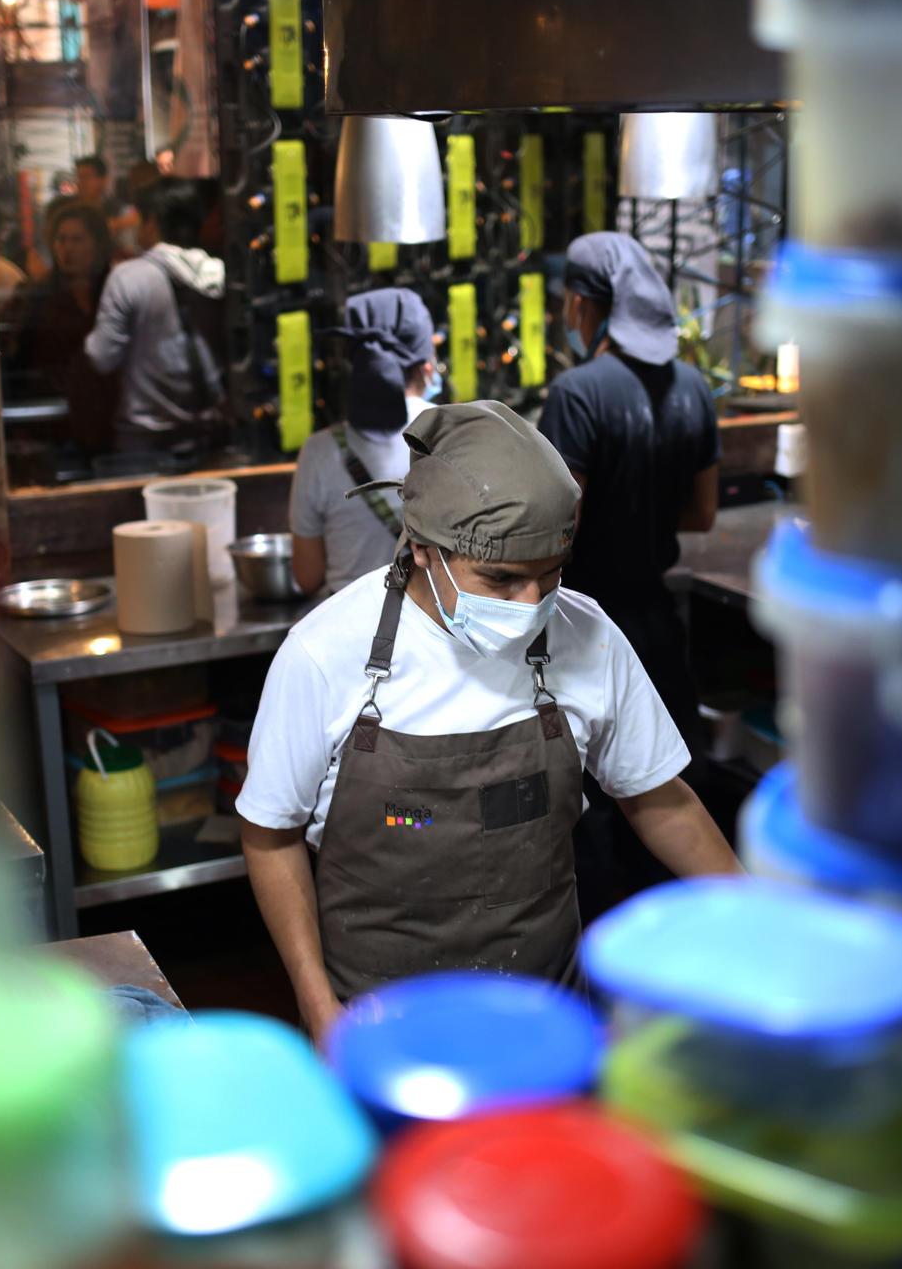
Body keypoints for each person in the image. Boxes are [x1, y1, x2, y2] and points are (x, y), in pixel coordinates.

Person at [237, 400, 742, 1037]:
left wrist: (755, 912)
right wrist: (318, 1009)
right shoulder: (325, 653)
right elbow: (271, 834)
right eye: (500, 580)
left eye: (549, 575)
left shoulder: (586, 635)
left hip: (544, 1018)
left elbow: (659, 799)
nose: (531, 604)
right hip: (382, 1025)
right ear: (423, 548)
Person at [537, 231, 721, 922]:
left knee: (595, 812)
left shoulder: (579, 393)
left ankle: (607, 965)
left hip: (585, 628)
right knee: (669, 793)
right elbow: (702, 513)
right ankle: (678, 951)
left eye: (570, 305)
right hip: (657, 621)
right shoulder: (694, 389)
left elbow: (559, 527)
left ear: (586, 305)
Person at [290, 288, 441, 597]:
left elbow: (307, 577)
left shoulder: (319, 452)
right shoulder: (450, 434)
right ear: (427, 366)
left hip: (351, 639)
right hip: (431, 632)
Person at [83, 178, 226, 461]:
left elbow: (102, 356)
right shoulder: (220, 272)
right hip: (211, 434)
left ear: (153, 222)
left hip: (145, 441)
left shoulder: (129, 276)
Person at [0, 199, 117, 453]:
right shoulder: (35, 295)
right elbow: (14, 359)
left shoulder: (115, 290)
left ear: (97, 243)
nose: (67, 249)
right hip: (52, 420)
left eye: (77, 239)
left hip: (109, 416)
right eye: (61, 240)